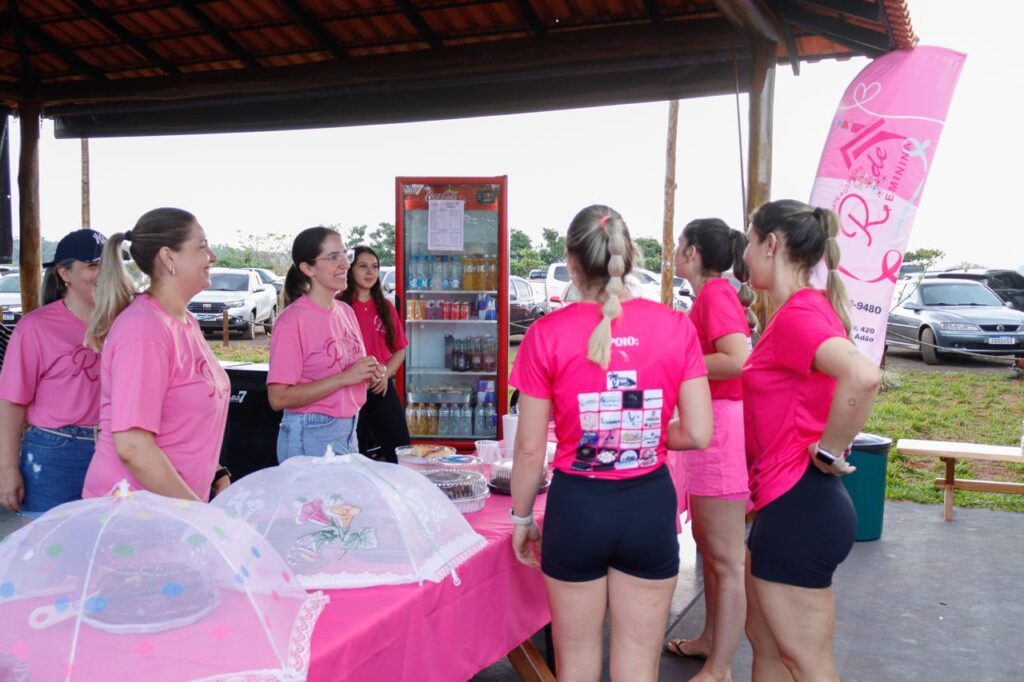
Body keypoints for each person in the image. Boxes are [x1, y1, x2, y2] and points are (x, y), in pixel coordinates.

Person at [509, 205, 713, 682]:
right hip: (647, 504)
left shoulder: (545, 334)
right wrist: (634, 433)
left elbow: (528, 451)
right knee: (638, 668)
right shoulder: (675, 326)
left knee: (576, 664)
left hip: (577, 507)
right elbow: (699, 432)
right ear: (629, 256)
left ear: (571, 262)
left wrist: (521, 518)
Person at [741, 199, 880, 681]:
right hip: (782, 503)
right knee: (765, 645)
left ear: (771, 245)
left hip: (800, 505)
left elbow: (863, 376)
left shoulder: (801, 314)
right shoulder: (792, 313)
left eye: (749, 243)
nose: (745, 256)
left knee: (807, 664)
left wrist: (830, 448)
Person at [82, 208, 232, 502]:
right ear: (168, 257)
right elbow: (132, 446)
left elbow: (184, 417)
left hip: (173, 509)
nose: (212, 257)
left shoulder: (185, 321)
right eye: (201, 247)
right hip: (135, 515)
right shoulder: (144, 329)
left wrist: (215, 470)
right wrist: (196, 514)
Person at [665, 219, 755, 681]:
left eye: (680, 245)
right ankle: (708, 642)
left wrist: (678, 362)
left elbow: (738, 360)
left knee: (725, 559)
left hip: (719, 432)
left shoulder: (716, 294)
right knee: (711, 551)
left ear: (694, 252)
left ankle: (720, 666)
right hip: (710, 429)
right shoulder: (710, 295)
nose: (675, 252)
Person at [0, 229, 106, 516]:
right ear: (64, 273)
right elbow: (11, 402)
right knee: (47, 551)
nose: (104, 274)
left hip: (116, 448)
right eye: (94, 266)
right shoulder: (36, 327)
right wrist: (8, 468)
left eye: (109, 266)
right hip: (55, 452)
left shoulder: (126, 322)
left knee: (109, 549)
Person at [267, 227, 383, 461]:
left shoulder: (346, 312)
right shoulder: (292, 321)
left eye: (344, 254)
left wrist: (370, 372)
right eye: (333, 257)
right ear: (307, 268)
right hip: (310, 433)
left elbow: (350, 368)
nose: (344, 264)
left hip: (349, 430)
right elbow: (278, 398)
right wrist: (344, 378)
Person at [339, 246, 410, 463]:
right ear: (350, 270)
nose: (370, 272)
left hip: (380, 386)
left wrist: (386, 374)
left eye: (375, 267)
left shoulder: (386, 307)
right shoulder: (339, 305)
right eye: (363, 266)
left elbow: (401, 348)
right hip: (348, 391)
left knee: (400, 449)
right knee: (354, 455)